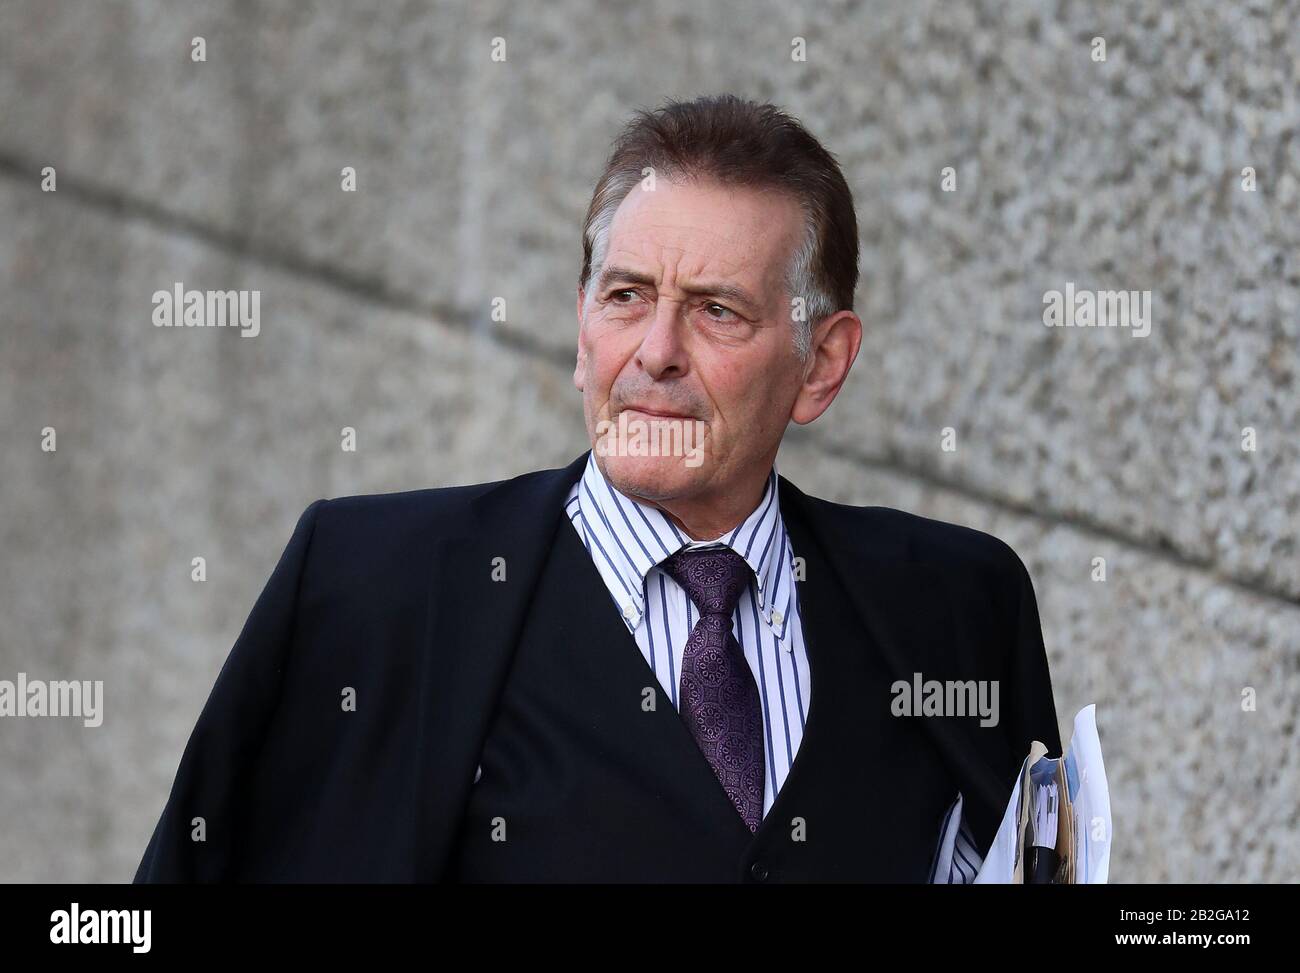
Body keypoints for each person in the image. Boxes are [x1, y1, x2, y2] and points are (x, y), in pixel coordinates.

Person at [135, 94, 1060, 883]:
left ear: (821, 364)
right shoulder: (370, 587)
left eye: (716, 310)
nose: (655, 353)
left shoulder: (956, 603)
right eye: (624, 297)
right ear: (582, 327)